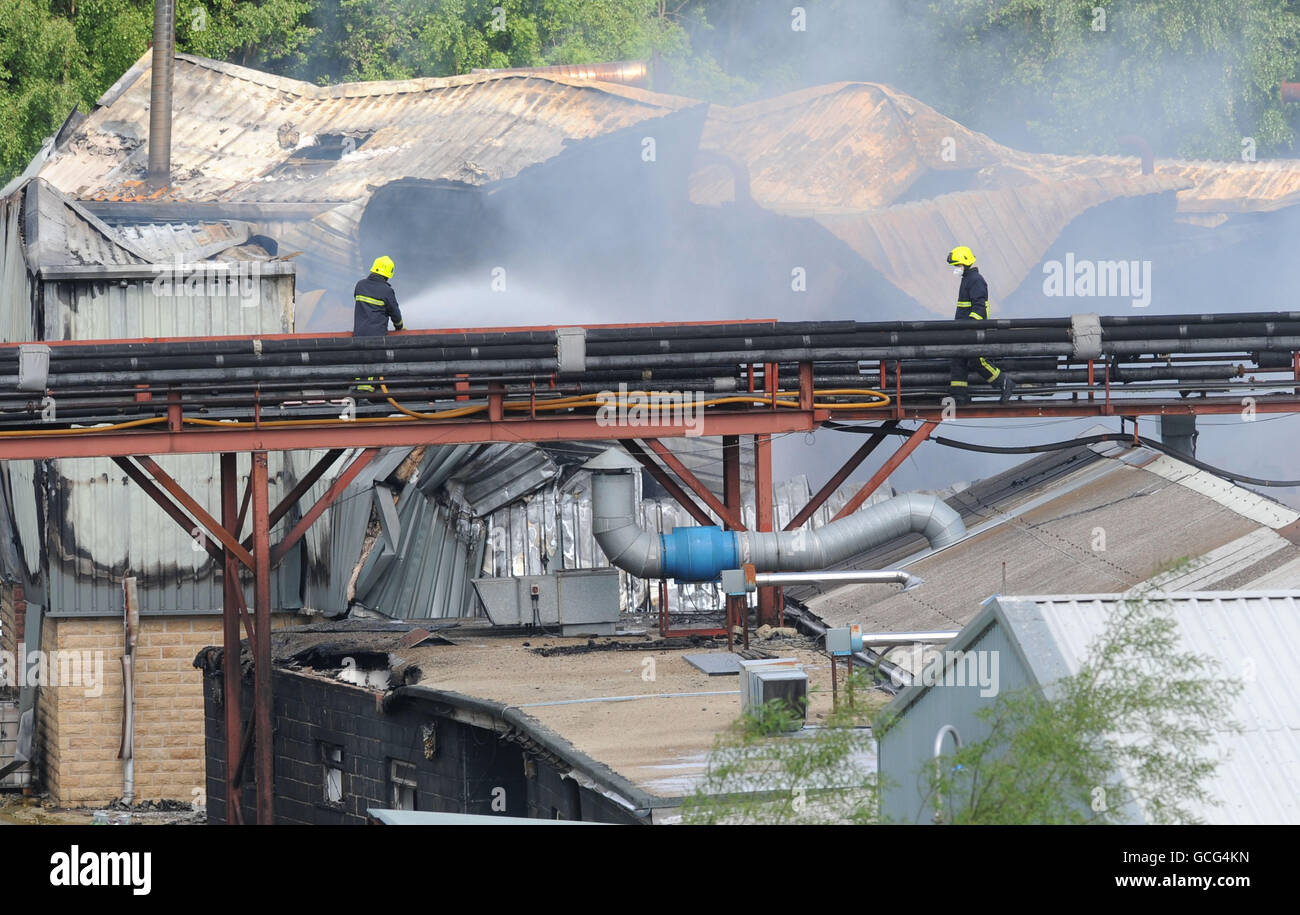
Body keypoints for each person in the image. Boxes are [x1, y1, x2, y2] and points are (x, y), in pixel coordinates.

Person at [945, 245, 1014, 404]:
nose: (956, 268)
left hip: (972, 330)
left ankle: (1004, 383)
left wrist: (970, 327)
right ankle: (959, 394)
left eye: (957, 265)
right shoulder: (967, 279)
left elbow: (979, 308)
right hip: (963, 331)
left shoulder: (976, 280)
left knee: (977, 360)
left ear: (965, 263)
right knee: (958, 359)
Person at [353, 255, 404, 392]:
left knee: (361, 359)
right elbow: (395, 312)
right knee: (372, 362)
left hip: (358, 332)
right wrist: (399, 327)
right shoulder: (386, 290)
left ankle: (359, 389)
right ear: (388, 273)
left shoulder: (360, 285)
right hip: (376, 335)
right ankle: (364, 393)